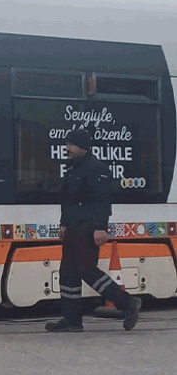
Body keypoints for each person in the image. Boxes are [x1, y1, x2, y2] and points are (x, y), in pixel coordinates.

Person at [46, 128, 142, 332]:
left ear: (82, 147)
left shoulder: (96, 168)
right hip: (73, 228)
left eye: (71, 144)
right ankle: (72, 321)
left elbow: (102, 201)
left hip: (88, 228)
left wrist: (100, 228)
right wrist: (63, 224)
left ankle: (127, 303)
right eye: (67, 144)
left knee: (86, 269)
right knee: (68, 274)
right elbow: (68, 200)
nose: (67, 148)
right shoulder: (73, 168)